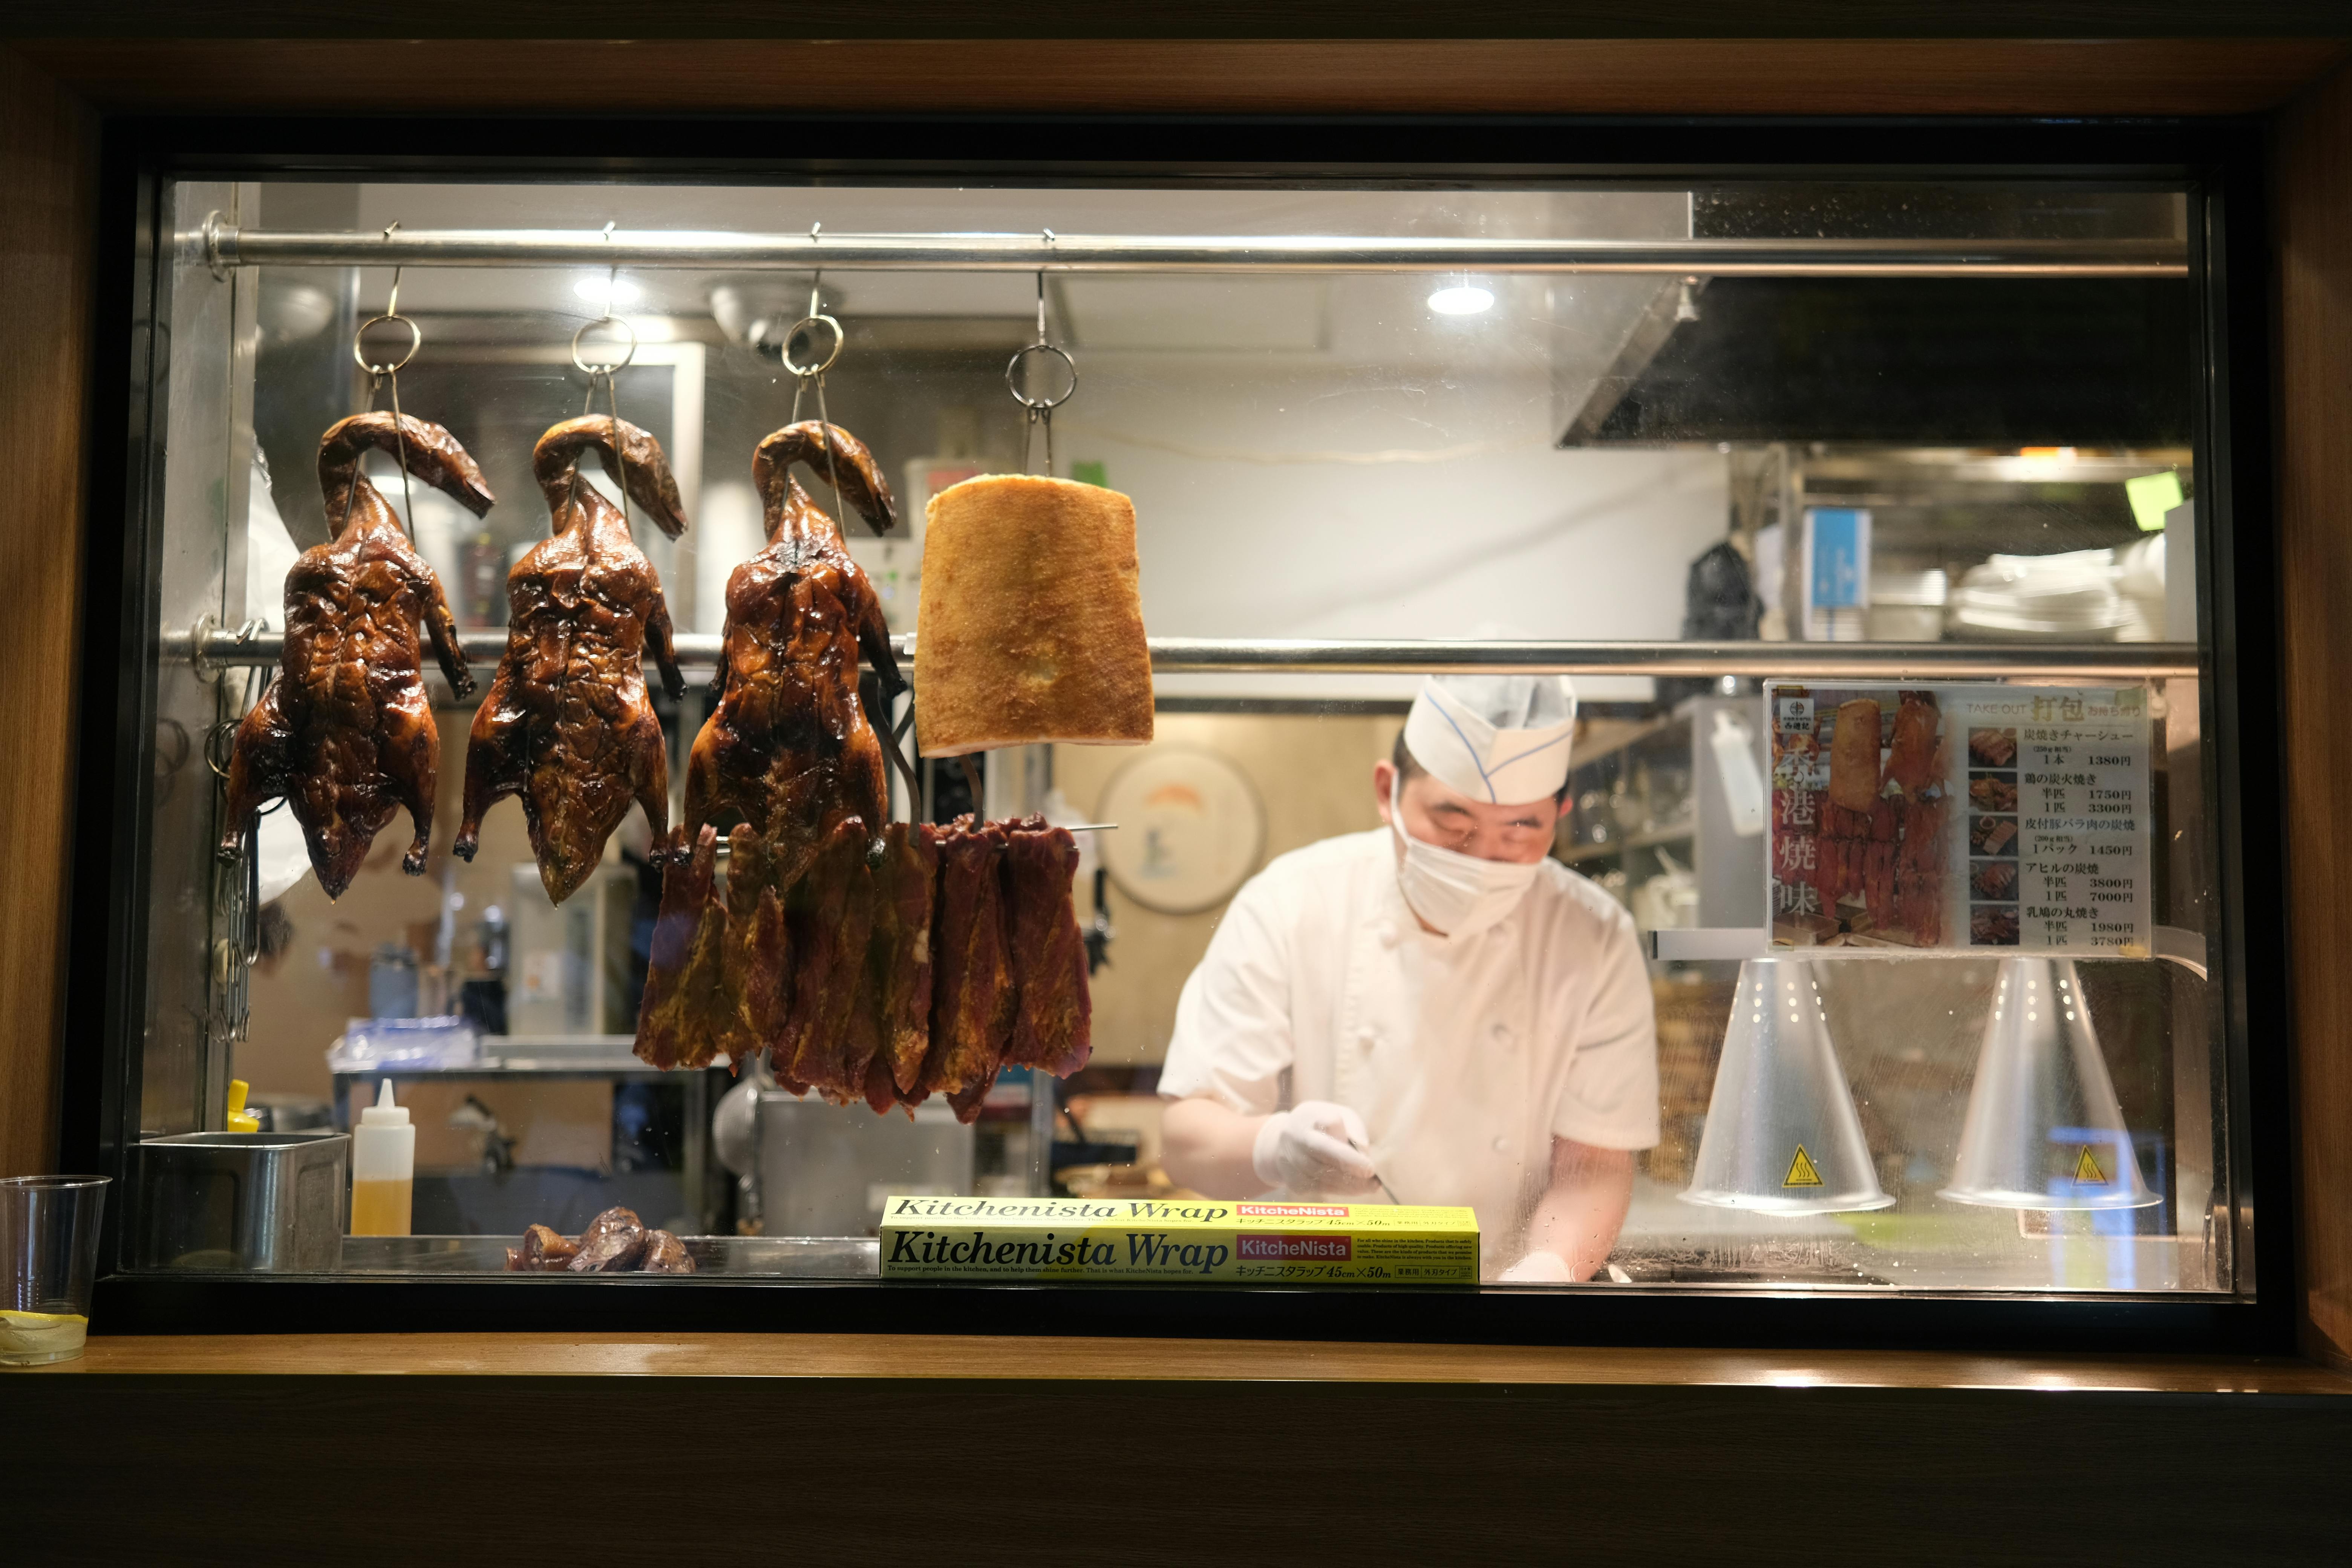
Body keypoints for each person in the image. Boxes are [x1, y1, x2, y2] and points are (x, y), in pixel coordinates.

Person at [1158, 674, 1658, 1281]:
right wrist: (1276, 1147)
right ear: (1387, 790)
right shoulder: (1289, 904)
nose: (1481, 858)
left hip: (1505, 1296)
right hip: (1309, 1299)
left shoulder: (1594, 934)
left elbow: (1594, 1164)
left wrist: (1547, 1275)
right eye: (1453, 821)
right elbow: (1186, 1142)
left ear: (1561, 814)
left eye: (1521, 830)